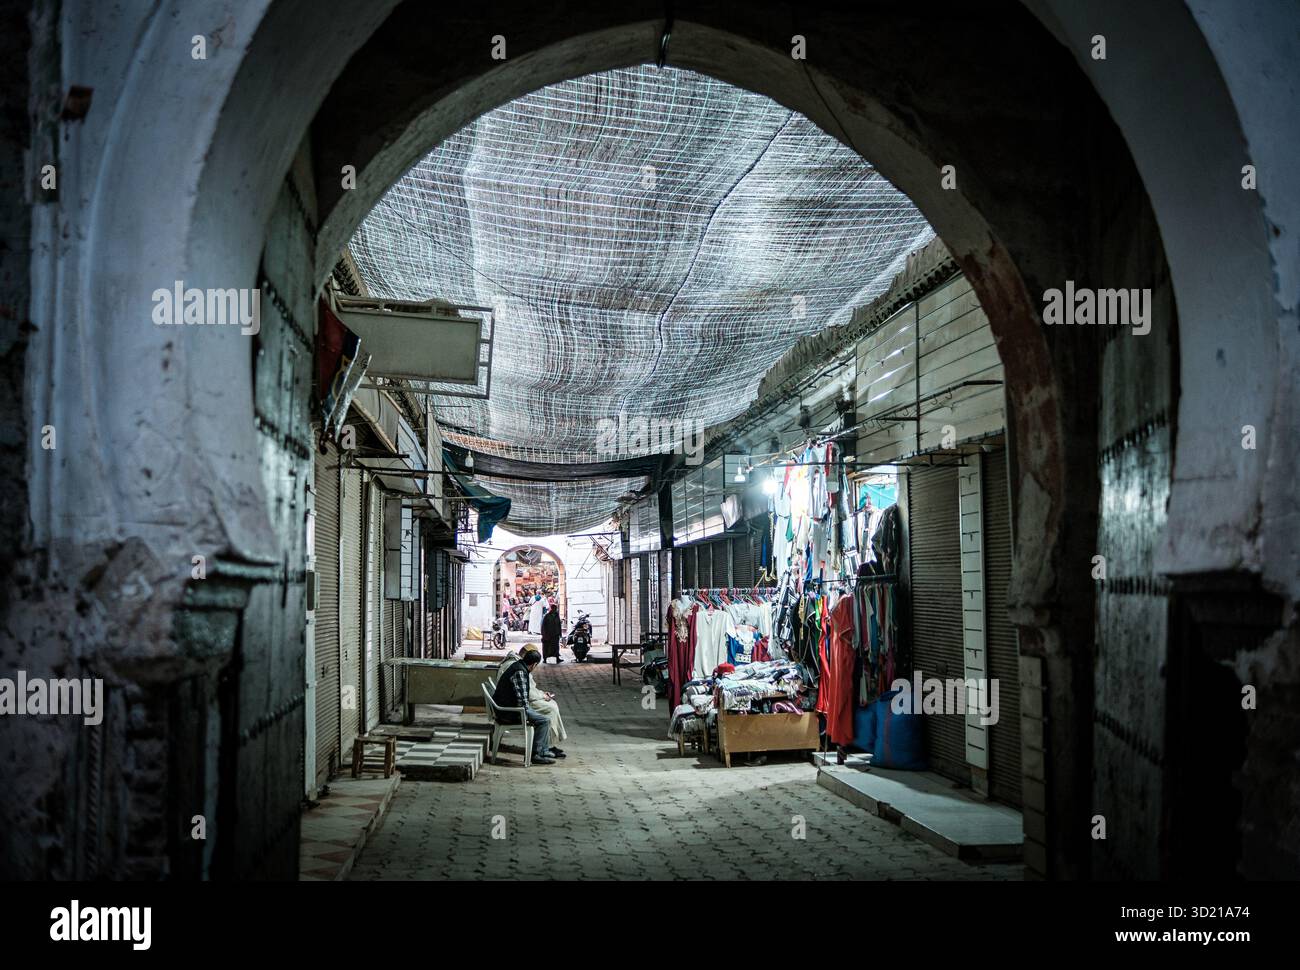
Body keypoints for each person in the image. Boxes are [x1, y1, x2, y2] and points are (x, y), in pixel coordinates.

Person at [496, 647, 567, 757]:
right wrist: (533, 712)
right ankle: (538, 753)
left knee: (545, 716)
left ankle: (542, 749)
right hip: (511, 712)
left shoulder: (519, 666)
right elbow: (523, 701)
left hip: (510, 707)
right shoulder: (520, 671)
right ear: (534, 664)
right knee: (544, 720)